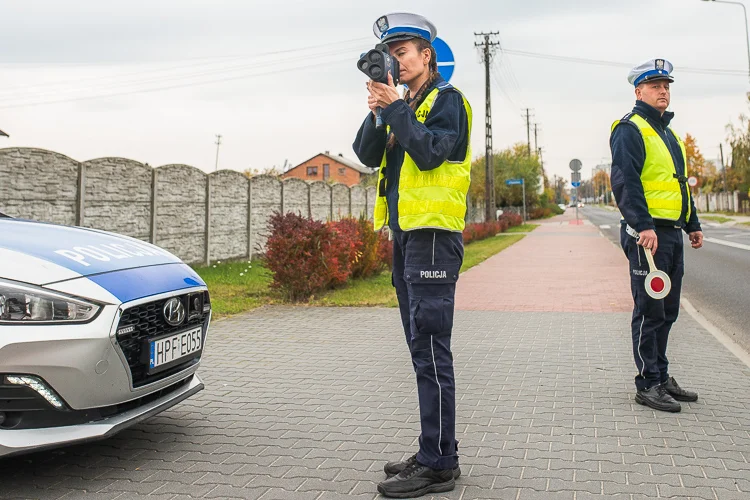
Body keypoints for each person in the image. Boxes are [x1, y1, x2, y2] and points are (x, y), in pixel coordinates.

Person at [352, 12, 471, 499]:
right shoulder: (403, 104)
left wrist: (396, 109)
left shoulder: (448, 102)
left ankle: (441, 464)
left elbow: (429, 154)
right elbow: (364, 152)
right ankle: (431, 448)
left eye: (402, 52)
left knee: (432, 348)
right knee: (420, 350)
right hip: (406, 238)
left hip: (435, 239)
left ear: (427, 56)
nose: (395, 60)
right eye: (389, 53)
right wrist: (381, 107)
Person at [610, 58, 703, 413]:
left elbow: (679, 185)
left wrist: (692, 223)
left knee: (668, 310)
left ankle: (661, 375)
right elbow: (625, 182)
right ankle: (647, 383)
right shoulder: (629, 129)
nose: (663, 91)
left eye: (666, 85)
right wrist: (643, 225)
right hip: (645, 235)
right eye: (655, 86)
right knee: (650, 310)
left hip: (671, 232)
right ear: (639, 91)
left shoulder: (668, 133)